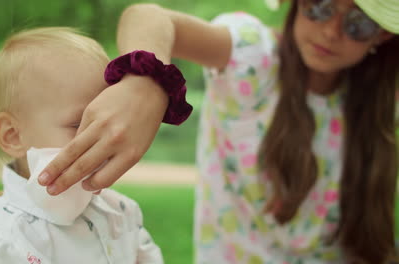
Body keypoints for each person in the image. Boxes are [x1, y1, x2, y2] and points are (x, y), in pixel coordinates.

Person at [36, 0, 399, 263]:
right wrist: (144, 82)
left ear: (381, 36)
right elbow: (148, 16)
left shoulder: (378, 101)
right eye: (319, 6)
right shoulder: (253, 55)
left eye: (358, 23)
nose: (331, 30)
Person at [0, 27, 163, 264]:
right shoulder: (3, 241)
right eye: (78, 123)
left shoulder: (120, 210)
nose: (100, 135)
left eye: (104, 121)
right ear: (13, 135)